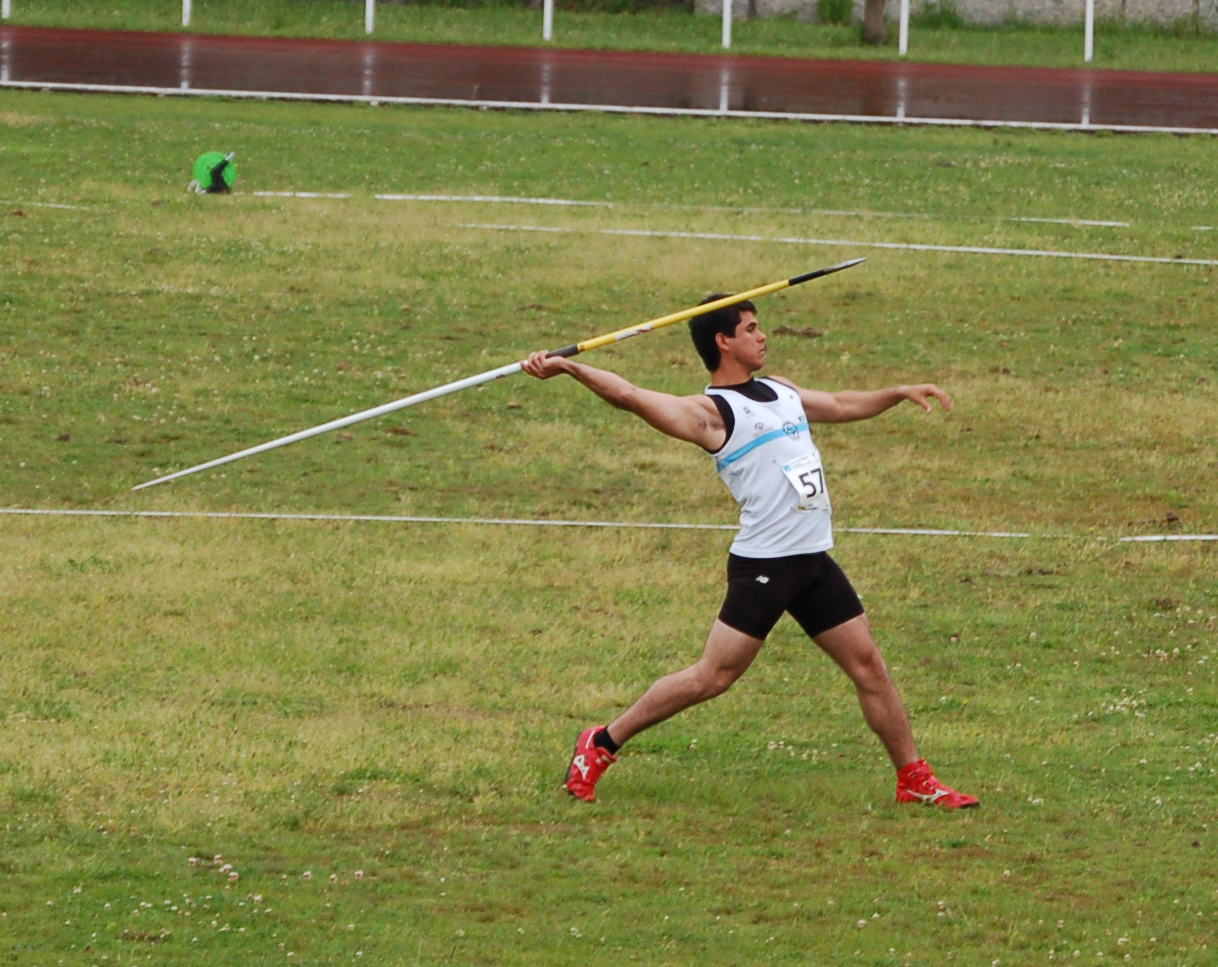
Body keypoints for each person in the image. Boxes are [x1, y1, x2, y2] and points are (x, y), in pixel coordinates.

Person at [521, 294, 979, 810]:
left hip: (812, 561)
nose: (763, 336)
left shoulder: (780, 391)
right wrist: (568, 368)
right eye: (751, 328)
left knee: (869, 666)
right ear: (724, 341)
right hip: (765, 567)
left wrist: (897, 391)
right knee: (712, 677)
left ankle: (914, 778)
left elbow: (845, 404)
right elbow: (628, 395)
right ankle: (601, 742)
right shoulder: (711, 415)